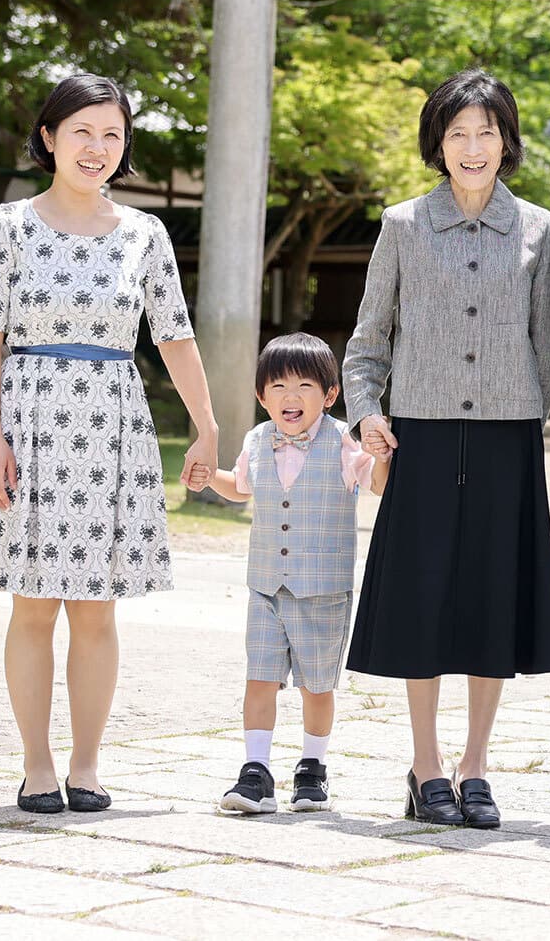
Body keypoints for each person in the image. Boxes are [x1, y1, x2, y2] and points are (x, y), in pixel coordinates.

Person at [0, 73, 219, 814]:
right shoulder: (6, 226)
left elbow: (174, 336)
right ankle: (36, 764)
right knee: (34, 605)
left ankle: (86, 765)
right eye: (82, 131)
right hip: (29, 424)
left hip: (112, 427)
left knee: (97, 608)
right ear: (49, 137)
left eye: (112, 134)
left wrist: (206, 424)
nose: (97, 147)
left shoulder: (145, 234)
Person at [342, 68, 550, 830]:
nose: (473, 147)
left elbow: (548, 340)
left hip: (508, 438)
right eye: (458, 133)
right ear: (437, 143)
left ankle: (476, 765)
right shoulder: (403, 225)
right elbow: (368, 341)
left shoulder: (540, 230)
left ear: (507, 141)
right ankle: (426, 764)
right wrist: (367, 415)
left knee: (492, 603)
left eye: (486, 132)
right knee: (422, 601)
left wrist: (522, 409)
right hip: (422, 436)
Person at [201, 333, 387, 816]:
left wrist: (383, 455)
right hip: (265, 587)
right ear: (261, 395)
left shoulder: (344, 441)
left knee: (317, 687)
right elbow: (242, 487)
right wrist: (209, 476)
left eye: (305, 386)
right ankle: (256, 771)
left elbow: (377, 484)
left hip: (323, 591)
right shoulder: (256, 440)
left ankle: (312, 767)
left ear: (329, 394)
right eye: (278, 386)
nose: (291, 396)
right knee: (259, 678)